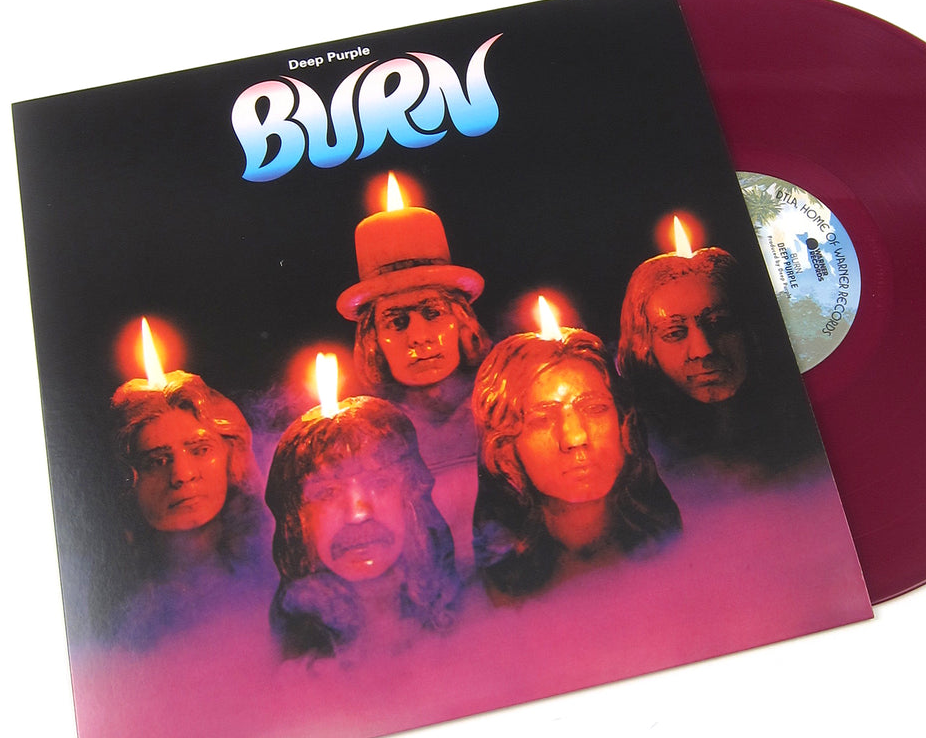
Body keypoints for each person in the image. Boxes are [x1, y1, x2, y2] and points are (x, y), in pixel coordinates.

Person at [336, 205, 491, 576]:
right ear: (373, 339)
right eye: (397, 322)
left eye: (433, 313)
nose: (419, 337)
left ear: (462, 320)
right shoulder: (368, 439)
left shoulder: (504, 409)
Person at [472, 329, 681, 601]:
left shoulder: (671, 551)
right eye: (542, 419)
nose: (575, 438)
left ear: (623, 422)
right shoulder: (508, 589)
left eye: (594, 409)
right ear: (505, 449)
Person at [264, 395, 460, 662]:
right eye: (327, 493)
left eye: (379, 483)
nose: (358, 514)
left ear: (411, 495)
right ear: (297, 520)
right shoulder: (287, 658)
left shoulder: (467, 622)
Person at [102, 371, 270, 647]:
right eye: (157, 461)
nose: (182, 475)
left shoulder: (271, 585)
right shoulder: (112, 612)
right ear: (128, 480)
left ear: (231, 455)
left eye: (200, 450)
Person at [618, 246, 820, 473]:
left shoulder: (809, 424)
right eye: (674, 333)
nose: (703, 350)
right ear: (644, 346)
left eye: (718, 323)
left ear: (749, 329)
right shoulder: (649, 456)